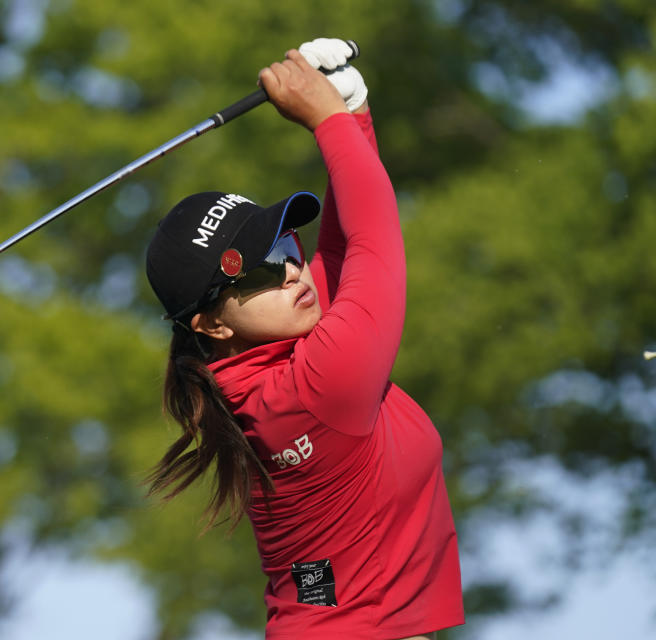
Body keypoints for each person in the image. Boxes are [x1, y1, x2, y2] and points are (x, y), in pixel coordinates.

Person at [144, 38, 465, 640]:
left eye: (287, 246)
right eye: (260, 269)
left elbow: (341, 250)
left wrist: (355, 120)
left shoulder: (271, 368)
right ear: (211, 324)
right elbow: (376, 243)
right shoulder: (314, 386)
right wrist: (328, 121)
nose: (293, 271)